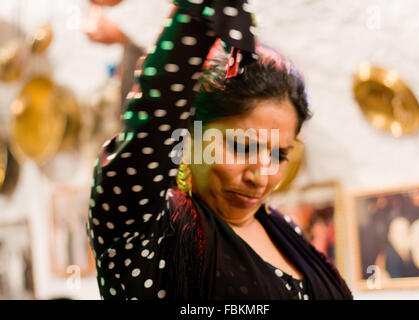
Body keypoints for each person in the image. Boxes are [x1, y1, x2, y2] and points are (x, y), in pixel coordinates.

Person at [87, 0, 353, 300]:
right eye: (241, 147)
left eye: (279, 155)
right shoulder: (157, 232)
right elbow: (148, 134)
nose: (260, 177)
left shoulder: (281, 227)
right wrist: (195, 18)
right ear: (189, 133)